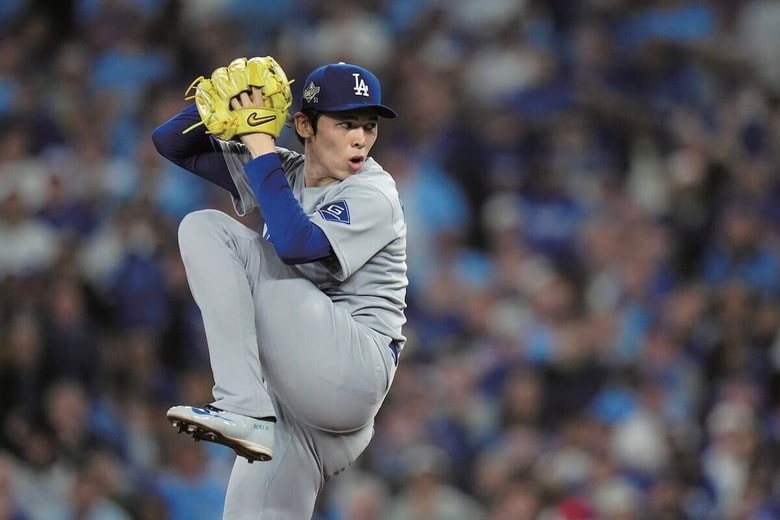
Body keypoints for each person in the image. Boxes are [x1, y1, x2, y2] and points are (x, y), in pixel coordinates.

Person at [151, 59, 407, 519]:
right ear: (304, 125)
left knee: (207, 228)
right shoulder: (284, 170)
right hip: (300, 412)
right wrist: (220, 101)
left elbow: (295, 244)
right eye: (346, 123)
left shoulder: (375, 191)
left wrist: (257, 140)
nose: (360, 139)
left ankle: (242, 406)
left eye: (369, 126)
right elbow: (172, 143)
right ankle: (252, 413)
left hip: (352, 370)